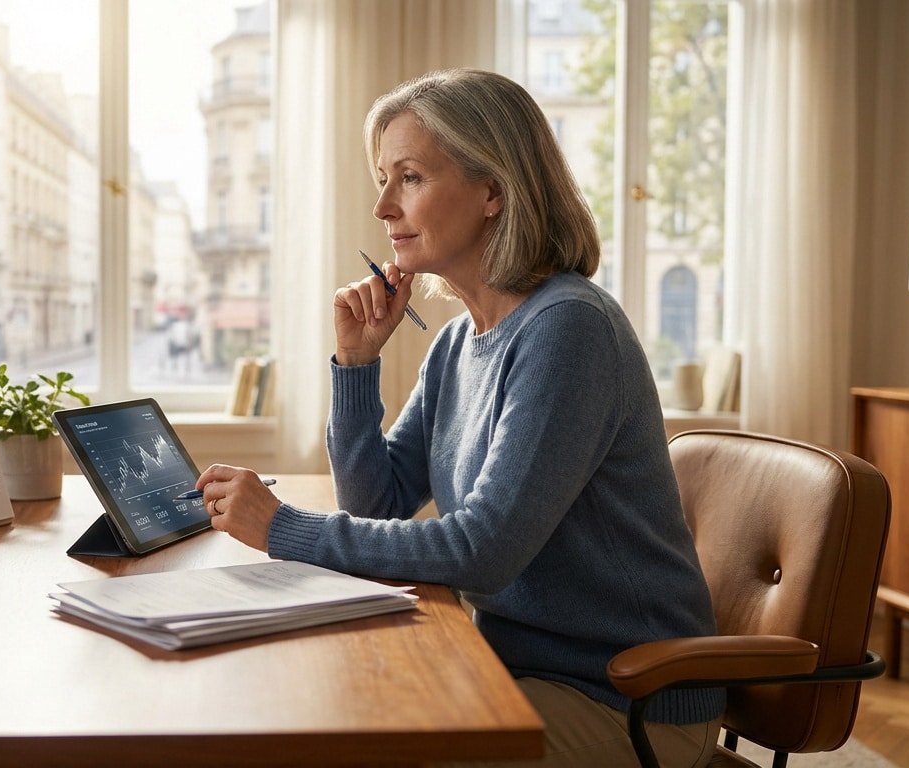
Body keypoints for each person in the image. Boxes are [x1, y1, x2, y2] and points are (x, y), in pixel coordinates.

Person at [194, 68, 724, 768]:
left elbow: (482, 551)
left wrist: (282, 527)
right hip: (512, 666)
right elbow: (379, 501)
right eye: (383, 178)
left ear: (493, 191)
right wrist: (355, 368)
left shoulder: (570, 329)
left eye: (409, 177)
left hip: (626, 702)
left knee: (355, 746)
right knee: (316, 706)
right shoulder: (457, 344)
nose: (382, 205)